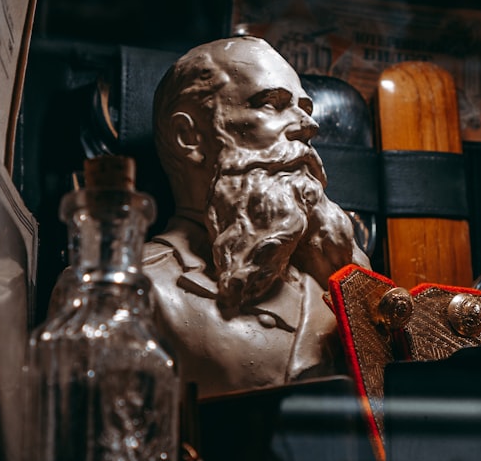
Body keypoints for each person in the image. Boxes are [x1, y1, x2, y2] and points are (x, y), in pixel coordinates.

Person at [141, 36, 371, 399]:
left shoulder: (335, 279)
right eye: (271, 104)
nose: (308, 126)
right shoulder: (131, 291)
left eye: (304, 108)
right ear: (189, 136)